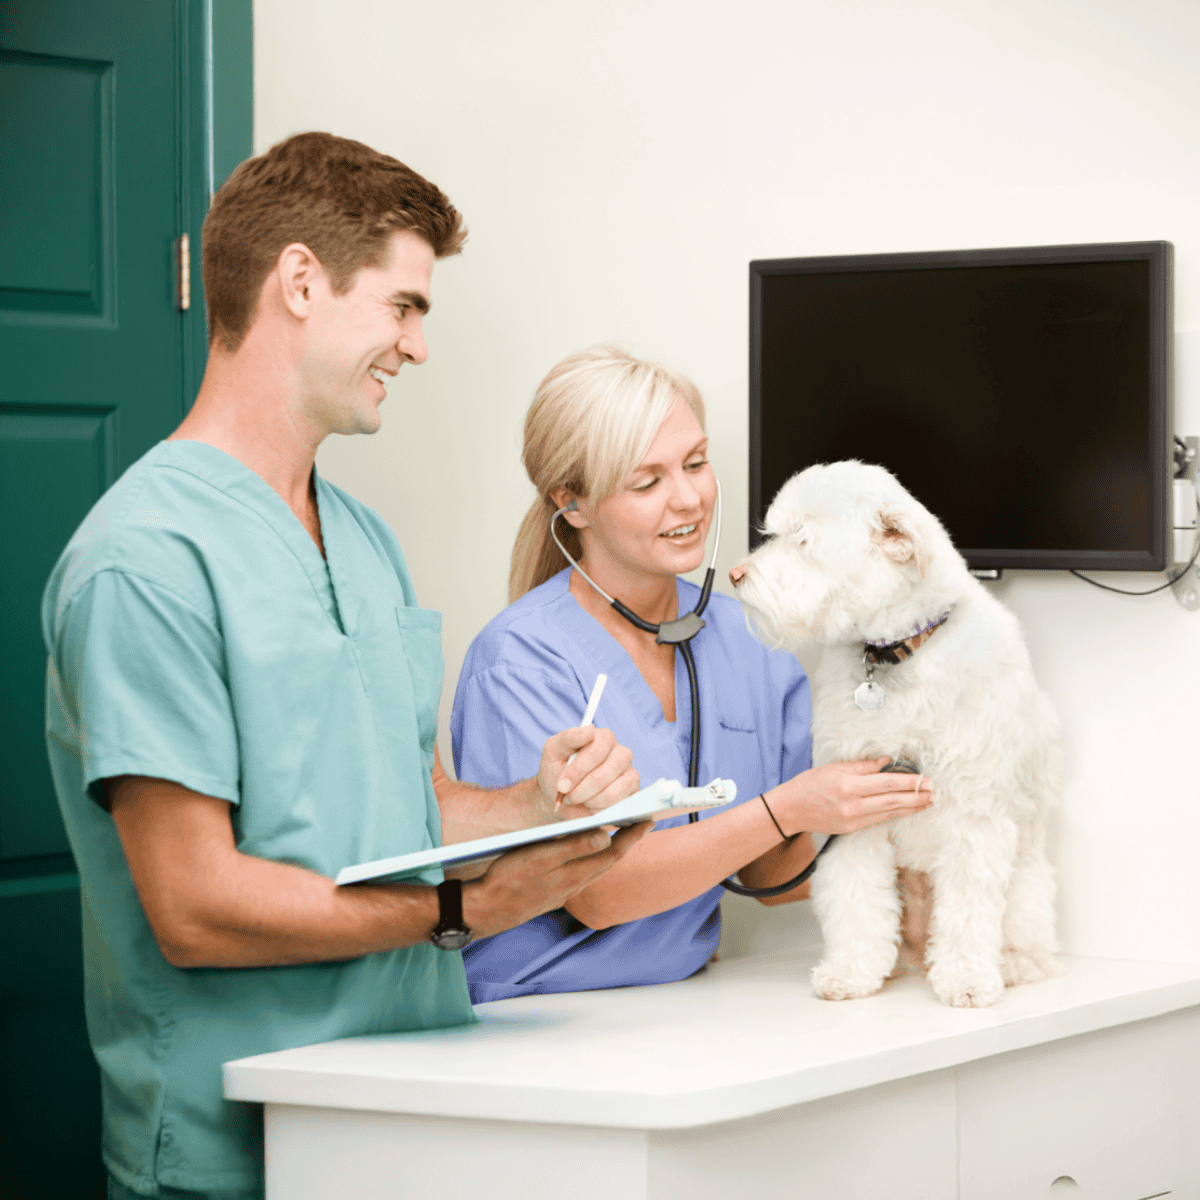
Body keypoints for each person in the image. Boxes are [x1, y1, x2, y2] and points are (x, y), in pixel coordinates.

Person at [41, 134, 648, 1200]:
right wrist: (466, 913)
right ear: (301, 283)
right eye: (404, 306)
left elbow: (397, 802)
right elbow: (195, 904)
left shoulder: (362, 539)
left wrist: (534, 807)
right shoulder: (142, 562)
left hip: (412, 1113)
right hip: (240, 1144)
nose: (417, 347)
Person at [451, 347, 935, 1003]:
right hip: (536, 1012)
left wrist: (888, 823)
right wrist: (789, 806)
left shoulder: (748, 640)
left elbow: (769, 872)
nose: (687, 499)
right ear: (573, 503)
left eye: (696, 463)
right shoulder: (521, 658)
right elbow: (597, 892)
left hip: (682, 1002)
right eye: (645, 483)